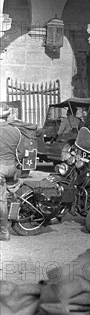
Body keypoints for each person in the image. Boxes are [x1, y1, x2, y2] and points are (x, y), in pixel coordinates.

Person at [0, 102, 34, 241]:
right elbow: (20, 153)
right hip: (12, 168)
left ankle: (3, 232)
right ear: (7, 116)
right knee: (10, 196)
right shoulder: (16, 131)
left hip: (0, 169)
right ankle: (13, 215)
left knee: (1, 201)